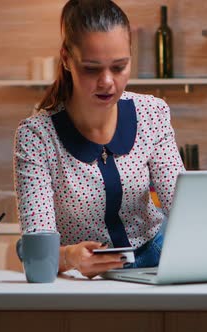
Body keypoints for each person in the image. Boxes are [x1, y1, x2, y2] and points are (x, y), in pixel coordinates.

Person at [13, 0, 185, 279]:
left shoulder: (152, 114)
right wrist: (69, 256)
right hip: (81, 278)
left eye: (119, 67)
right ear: (67, 59)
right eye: (92, 68)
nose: (107, 81)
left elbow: (182, 205)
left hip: (156, 261)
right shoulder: (36, 136)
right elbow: (36, 249)